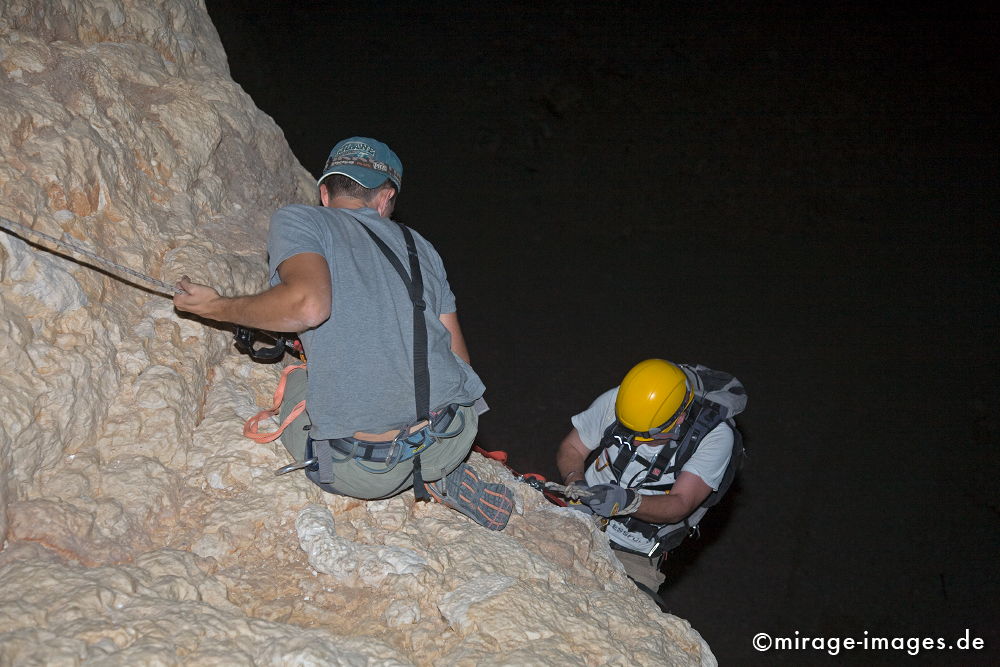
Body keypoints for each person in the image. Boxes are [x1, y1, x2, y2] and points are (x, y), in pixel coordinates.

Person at [174, 136, 513, 531]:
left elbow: (308, 306)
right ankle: (435, 469)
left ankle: (400, 467)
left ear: (324, 192)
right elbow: (460, 361)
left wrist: (216, 306)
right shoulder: (420, 245)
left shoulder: (302, 219)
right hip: (452, 435)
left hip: (363, 471)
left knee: (300, 374)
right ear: (386, 199)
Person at [556, 359, 746, 591]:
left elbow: (680, 504)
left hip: (633, 552)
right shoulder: (624, 402)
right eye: (628, 431)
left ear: (679, 418)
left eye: (645, 436)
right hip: (579, 518)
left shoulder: (714, 438)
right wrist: (575, 483)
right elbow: (573, 448)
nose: (633, 441)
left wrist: (627, 502)